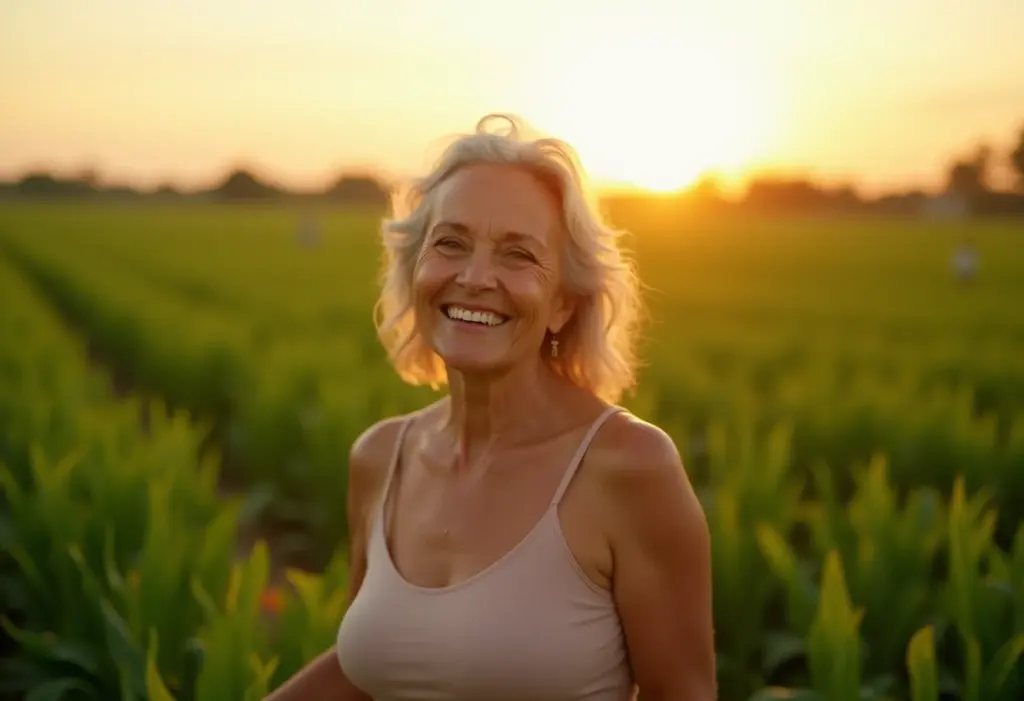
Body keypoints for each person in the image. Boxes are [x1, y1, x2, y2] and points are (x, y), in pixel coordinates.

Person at [265, 114, 716, 701]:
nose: (475, 277)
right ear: (415, 270)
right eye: (450, 243)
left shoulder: (629, 467)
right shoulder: (380, 457)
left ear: (562, 304)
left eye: (518, 255)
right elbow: (371, 667)